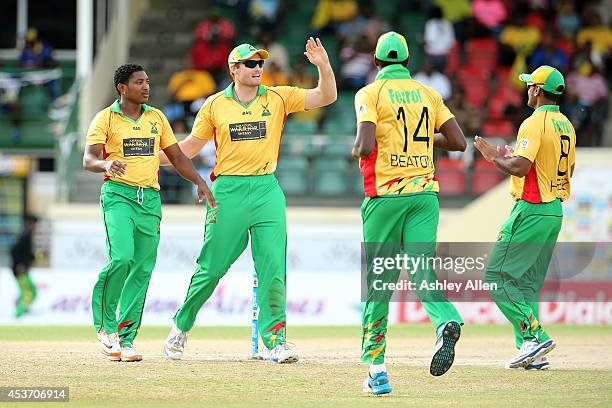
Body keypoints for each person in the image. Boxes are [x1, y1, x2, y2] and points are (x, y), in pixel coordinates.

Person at [161, 39, 336, 363]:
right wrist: (151, 159)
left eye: (260, 64)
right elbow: (189, 148)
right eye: (251, 64)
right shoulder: (214, 105)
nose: (258, 68)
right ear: (234, 69)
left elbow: (327, 96)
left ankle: (276, 341)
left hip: (267, 189)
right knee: (211, 269)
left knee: (273, 267)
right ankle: (180, 327)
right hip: (227, 191)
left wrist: (323, 66)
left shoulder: (279, 96)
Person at [352, 31, 467, 395]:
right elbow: (459, 143)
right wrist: (420, 141)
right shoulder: (429, 93)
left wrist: (357, 147)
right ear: (407, 61)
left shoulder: (370, 93)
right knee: (421, 270)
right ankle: (445, 320)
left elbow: (364, 145)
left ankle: (377, 371)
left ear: (375, 62)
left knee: (379, 284)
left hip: (385, 195)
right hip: (425, 196)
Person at [83, 63, 214, 363]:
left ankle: (126, 338)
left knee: (142, 269)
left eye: (148, 81)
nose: (146, 86)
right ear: (122, 87)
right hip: (118, 195)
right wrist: (105, 164)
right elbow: (89, 159)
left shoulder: (156, 117)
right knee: (122, 258)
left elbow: (177, 156)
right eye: (139, 82)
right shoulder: (105, 118)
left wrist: (199, 181)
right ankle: (106, 326)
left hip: (150, 200)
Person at [474, 65, 576, 371]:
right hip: (554, 210)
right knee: (526, 286)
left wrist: (495, 157)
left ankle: (536, 337)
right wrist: (514, 155)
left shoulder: (534, 122)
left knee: (496, 278)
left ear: (538, 91)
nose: (527, 89)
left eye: (530, 84)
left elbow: (520, 168)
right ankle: (532, 354)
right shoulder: (566, 125)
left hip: (531, 207)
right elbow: (567, 170)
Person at [10, 214, 38, 318]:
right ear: (29, 223)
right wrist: (19, 264)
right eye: (34, 223)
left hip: (24, 270)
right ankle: (18, 314)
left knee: (33, 292)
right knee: (28, 293)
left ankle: (22, 308)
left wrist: (36, 257)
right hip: (20, 270)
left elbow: (27, 254)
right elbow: (14, 251)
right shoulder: (25, 235)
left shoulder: (28, 235)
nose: (35, 226)